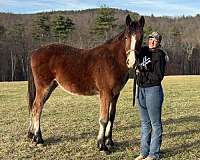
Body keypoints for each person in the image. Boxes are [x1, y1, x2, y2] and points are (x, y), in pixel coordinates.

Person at [134, 32, 167, 160]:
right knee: (144, 123)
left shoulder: (160, 55)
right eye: (150, 39)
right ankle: (144, 152)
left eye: (155, 40)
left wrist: (142, 70)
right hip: (140, 89)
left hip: (153, 90)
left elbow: (158, 76)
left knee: (155, 123)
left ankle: (154, 154)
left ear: (159, 42)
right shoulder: (142, 51)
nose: (152, 42)